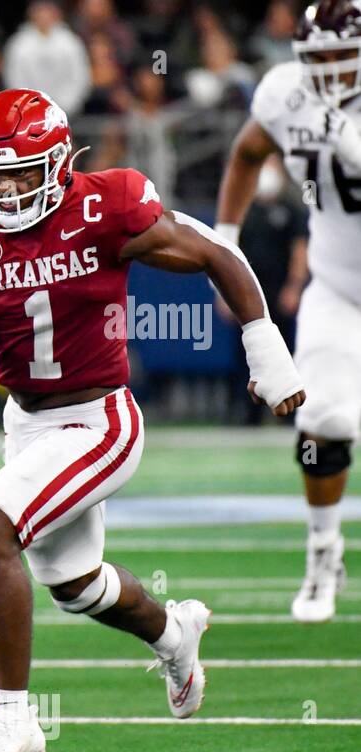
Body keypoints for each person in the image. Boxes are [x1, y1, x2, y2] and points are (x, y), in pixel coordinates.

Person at [0, 88, 305, 752]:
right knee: (73, 583)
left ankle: (13, 718)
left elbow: (214, 253)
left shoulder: (106, 203)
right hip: (26, 418)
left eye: (20, 171)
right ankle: (174, 633)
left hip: (98, 419)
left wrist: (265, 347)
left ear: (59, 164)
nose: (3, 187)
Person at [216, 0, 360, 622]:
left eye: (340, 56)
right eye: (316, 59)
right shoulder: (284, 95)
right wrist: (225, 235)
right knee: (322, 421)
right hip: (338, 285)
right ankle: (323, 549)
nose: (328, 70)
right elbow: (249, 152)